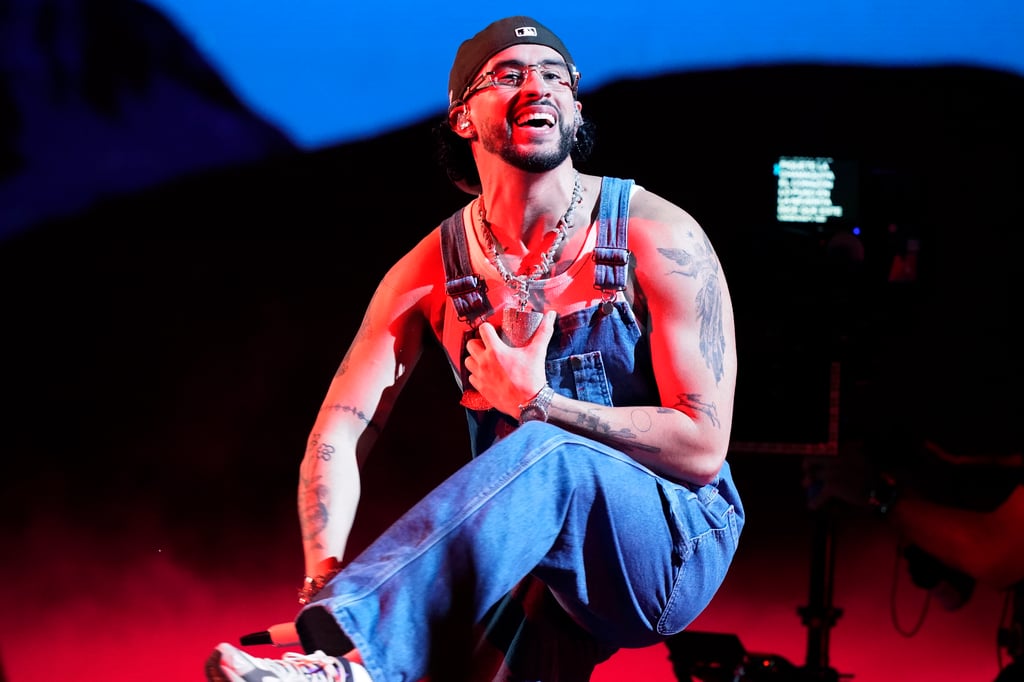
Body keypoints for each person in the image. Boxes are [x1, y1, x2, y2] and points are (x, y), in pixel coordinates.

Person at [206, 15, 743, 682]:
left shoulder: (657, 236)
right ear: (463, 117)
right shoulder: (432, 269)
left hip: (673, 543)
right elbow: (337, 437)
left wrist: (536, 401)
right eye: (509, 76)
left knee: (550, 452)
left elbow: (701, 446)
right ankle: (344, 659)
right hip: (540, 564)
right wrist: (322, 574)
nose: (537, 88)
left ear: (575, 108)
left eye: (555, 77)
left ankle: (347, 656)